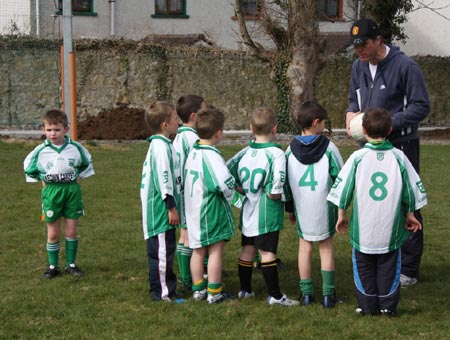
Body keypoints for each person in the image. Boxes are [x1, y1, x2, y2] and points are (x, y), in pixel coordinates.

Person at [346, 18, 430, 287]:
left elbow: (421, 106)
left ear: (378, 40)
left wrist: (389, 124)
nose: (359, 50)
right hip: (368, 146)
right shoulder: (358, 66)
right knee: (374, 201)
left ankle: (409, 268)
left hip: (401, 145)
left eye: (364, 44)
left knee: (407, 202)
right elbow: (352, 100)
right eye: (355, 45)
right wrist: (350, 117)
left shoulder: (406, 66)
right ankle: (378, 260)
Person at [328, 108, 427, 315]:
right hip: (389, 228)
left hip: (363, 230)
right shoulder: (399, 157)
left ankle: (367, 307)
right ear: (390, 130)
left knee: (363, 267)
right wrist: (410, 214)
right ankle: (387, 308)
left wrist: (341, 215)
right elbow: (410, 189)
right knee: (389, 268)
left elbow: (344, 188)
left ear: (362, 130)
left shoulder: (357, 157)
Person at [227, 107, 299, 306]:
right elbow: (278, 181)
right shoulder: (276, 153)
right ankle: (275, 296)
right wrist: (276, 193)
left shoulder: (244, 151)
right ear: (274, 129)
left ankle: (245, 290)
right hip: (266, 212)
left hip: (248, 209)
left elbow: (225, 170)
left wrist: (239, 188)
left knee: (248, 249)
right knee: (267, 253)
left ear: (251, 128)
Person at [285, 101, 343, 308]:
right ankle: (328, 295)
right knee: (326, 248)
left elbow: (284, 182)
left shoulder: (290, 150)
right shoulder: (329, 148)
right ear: (316, 122)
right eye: (324, 123)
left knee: (305, 248)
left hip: (302, 206)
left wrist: (290, 207)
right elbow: (341, 178)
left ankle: (306, 294)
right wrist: (341, 206)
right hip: (324, 207)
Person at [24, 109, 94, 279]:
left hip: (71, 191)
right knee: (53, 233)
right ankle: (52, 266)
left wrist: (78, 178)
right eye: (49, 130)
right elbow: (29, 168)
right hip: (51, 193)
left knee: (71, 231)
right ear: (43, 130)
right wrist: (42, 179)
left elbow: (86, 164)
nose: (53, 133)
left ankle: (71, 264)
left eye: (57, 129)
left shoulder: (76, 148)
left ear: (66, 129)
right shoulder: (40, 151)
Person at [183, 107, 236, 304]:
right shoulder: (211, 156)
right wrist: (238, 195)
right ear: (218, 132)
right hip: (210, 210)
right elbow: (222, 183)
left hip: (193, 209)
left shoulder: (194, 152)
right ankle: (214, 292)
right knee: (215, 250)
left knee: (197, 249)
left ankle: (198, 289)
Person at [140, 101, 183, 302]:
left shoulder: (163, 144)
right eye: (175, 119)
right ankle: (163, 293)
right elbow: (163, 178)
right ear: (165, 125)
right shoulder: (160, 147)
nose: (178, 122)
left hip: (160, 208)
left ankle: (167, 287)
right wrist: (171, 208)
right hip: (159, 209)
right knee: (162, 253)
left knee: (165, 249)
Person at [173, 94, 206, 290]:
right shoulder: (193, 138)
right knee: (189, 235)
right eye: (204, 110)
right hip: (191, 193)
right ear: (194, 115)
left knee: (185, 234)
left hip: (180, 191)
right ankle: (188, 278)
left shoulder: (179, 136)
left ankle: (187, 275)